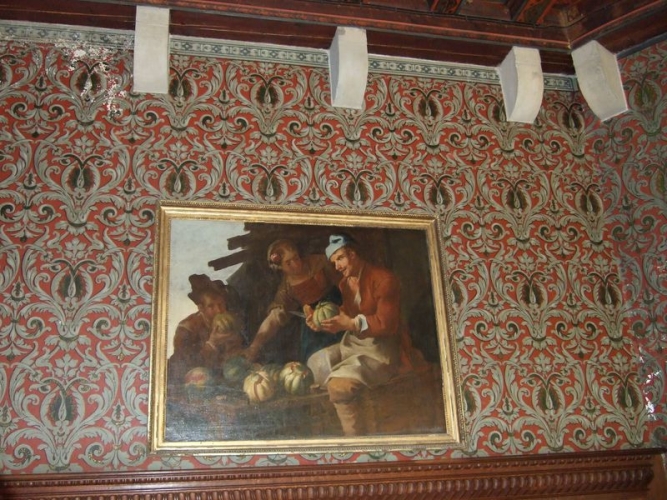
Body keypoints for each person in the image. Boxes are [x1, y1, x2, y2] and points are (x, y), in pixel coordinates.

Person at [307, 234, 423, 436]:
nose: (337, 267)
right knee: (316, 363)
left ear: (352, 254)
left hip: (382, 347)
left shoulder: (384, 279)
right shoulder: (345, 284)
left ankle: (354, 438)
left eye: (340, 259)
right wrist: (323, 322)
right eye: (334, 263)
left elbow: (387, 324)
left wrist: (352, 323)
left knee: (339, 386)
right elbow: (349, 312)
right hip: (354, 342)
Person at [243, 239, 344, 364]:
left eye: (296, 258)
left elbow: (346, 282)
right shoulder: (286, 288)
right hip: (313, 324)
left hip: (341, 309)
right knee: (319, 359)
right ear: (280, 267)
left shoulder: (319, 262)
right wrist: (254, 346)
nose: (295, 264)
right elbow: (274, 318)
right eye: (288, 263)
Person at [168, 274, 237, 383]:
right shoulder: (186, 328)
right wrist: (212, 343)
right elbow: (184, 364)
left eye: (221, 304)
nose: (219, 310)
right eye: (211, 306)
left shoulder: (230, 321)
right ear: (201, 308)